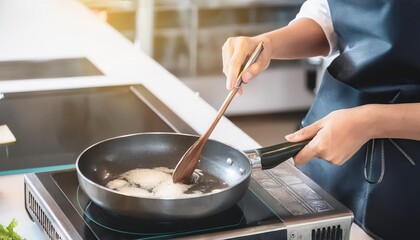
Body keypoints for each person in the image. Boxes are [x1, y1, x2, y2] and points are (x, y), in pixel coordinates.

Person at [222, 0, 420, 239]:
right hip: (332, 138)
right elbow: (334, 13)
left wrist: (371, 121)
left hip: (407, 185)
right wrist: (268, 44)